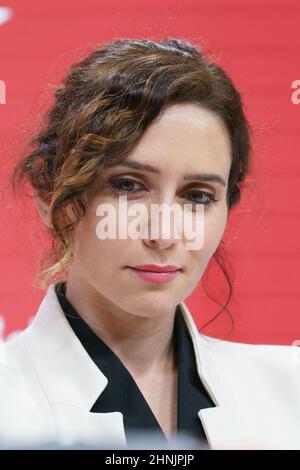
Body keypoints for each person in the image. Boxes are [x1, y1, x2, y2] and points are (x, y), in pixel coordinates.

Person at [0, 38, 299, 450]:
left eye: (197, 195)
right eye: (127, 186)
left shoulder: (291, 392)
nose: (164, 233)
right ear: (52, 197)